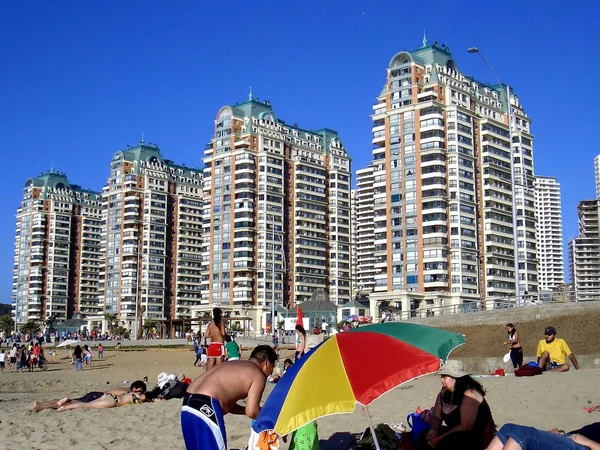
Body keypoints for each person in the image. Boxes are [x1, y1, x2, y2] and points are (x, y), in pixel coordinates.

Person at [180, 345, 278, 450]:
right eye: (272, 368)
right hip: (207, 406)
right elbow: (252, 411)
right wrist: (273, 419)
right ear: (267, 363)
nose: (270, 374)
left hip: (187, 403)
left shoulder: (232, 364)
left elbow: (228, 404)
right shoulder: (258, 374)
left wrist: (245, 410)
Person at [417, 361, 496, 450]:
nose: (441, 381)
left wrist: (441, 437)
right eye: (441, 377)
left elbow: (465, 426)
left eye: (444, 377)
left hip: (475, 436)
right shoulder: (443, 395)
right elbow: (437, 417)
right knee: (423, 437)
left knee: (447, 443)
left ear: (456, 378)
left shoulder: (469, 395)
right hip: (453, 433)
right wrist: (434, 429)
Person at [31, 380, 147, 411]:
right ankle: (42, 405)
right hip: (99, 397)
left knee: (72, 401)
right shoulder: (127, 391)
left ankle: (43, 404)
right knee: (72, 402)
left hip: (97, 394)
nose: (139, 393)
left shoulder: (124, 389)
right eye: (139, 390)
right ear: (134, 388)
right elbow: (108, 395)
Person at [488, 422, 600, 450]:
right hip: (571, 439)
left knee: (523, 435)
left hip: (584, 447)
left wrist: (586, 442)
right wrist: (559, 434)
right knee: (509, 428)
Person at [56, 390, 156, 411]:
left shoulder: (136, 393)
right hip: (114, 402)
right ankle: (65, 407)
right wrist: (152, 399)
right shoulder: (142, 397)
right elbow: (145, 399)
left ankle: (67, 400)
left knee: (87, 403)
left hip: (111, 396)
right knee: (86, 406)